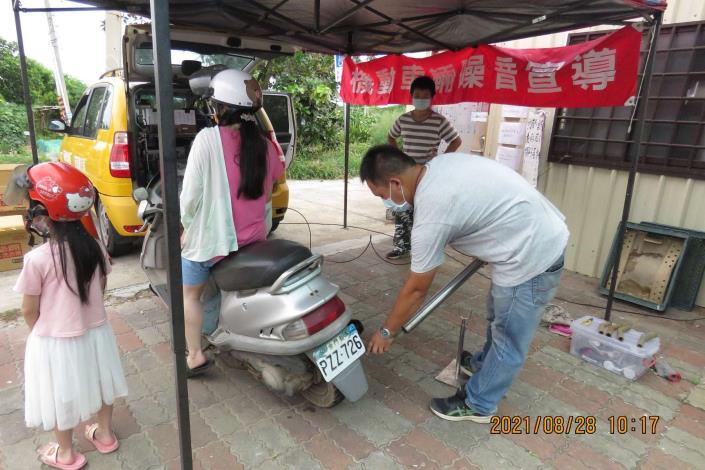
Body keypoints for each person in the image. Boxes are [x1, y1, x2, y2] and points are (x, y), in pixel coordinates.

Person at [359, 145, 569, 423]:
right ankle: (484, 364)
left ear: (395, 182)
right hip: (527, 237)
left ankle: (480, 403)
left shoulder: (433, 212)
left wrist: (387, 331)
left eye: (383, 195)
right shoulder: (441, 164)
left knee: (509, 337)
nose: (386, 202)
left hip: (532, 255)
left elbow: (417, 288)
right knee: (499, 315)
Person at [10, 162, 127, 470]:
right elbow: (100, 288)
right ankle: (104, 434)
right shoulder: (95, 248)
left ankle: (65, 453)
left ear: (44, 215)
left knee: (59, 394)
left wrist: (43, 331)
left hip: (56, 340)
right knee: (103, 382)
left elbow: (28, 309)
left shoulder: (37, 259)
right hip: (96, 331)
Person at [180, 69, 284, 376]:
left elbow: (190, 198)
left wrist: (186, 228)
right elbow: (273, 181)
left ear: (221, 107)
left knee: (190, 295)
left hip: (214, 243)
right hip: (254, 239)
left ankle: (195, 354)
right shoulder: (265, 144)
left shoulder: (206, 139)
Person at [386, 75, 462, 260]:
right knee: (402, 209)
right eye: (417, 95)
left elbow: (456, 141)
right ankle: (401, 247)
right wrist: (399, 157)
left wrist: (440, 161)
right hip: (406, 173)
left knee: (425, 212)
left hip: (428, 174)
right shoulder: (403, 119)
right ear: (411, 96)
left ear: (431, 97)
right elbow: (390, 137)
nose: (420, 98)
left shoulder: (439, 121)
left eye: (425, 95)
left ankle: (423, 248)